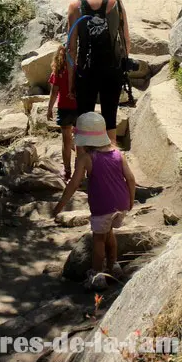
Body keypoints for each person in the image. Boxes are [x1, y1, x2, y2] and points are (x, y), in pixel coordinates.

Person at [52, 111, 136, 291]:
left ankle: (97, 275)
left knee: (98, 240)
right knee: (109, 233)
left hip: (102, 206)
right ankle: (113, 267)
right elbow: (130, 179)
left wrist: (59, 206)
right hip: (121, 204)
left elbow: (74, 184)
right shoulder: (118, 154)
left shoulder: (86, 158)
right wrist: (131, 200)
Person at [67, 0, 130, 146]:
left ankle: (84, 169)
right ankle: (111, 165)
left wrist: (71, 80)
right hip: (112, 69)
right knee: (110, 120)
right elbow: (126, 40)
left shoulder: (75, 6)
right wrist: (123, 68)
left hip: (86, 72)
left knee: (83, 121)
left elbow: (71, 48)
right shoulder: (116, 2)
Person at [46, 46, 77, 180]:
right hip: (78, 107)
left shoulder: (57, 72)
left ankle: (67, 171)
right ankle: (82, 169)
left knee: (66, 140)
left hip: (64, 108)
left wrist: (49, 109)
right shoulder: (77, 70)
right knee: (80, 140)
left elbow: (54, 93)